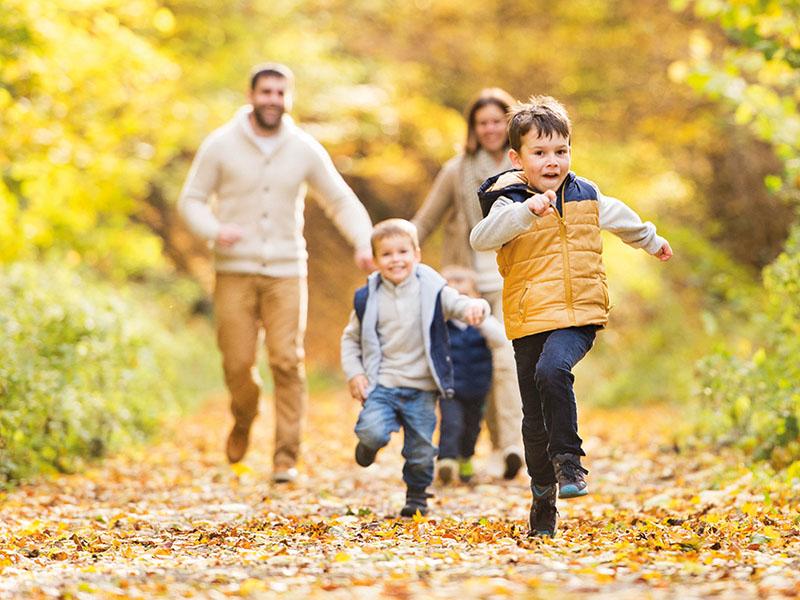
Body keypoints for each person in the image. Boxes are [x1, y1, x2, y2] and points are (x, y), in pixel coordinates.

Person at [470, 96, 673, 537]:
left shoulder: (586, 194)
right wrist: (526, 211)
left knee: (553, 368)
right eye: (540, 153)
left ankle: (570, 464)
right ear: (517, 158)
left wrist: (651, 240)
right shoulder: (508, 200)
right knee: (533, 418)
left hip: (579, 313)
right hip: (529, 319)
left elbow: (621, 218)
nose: (552, 161)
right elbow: (481, 238)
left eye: (560, 151)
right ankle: (543, 494)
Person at [178, 62, 373, 483]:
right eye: (266, 92)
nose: (273, 100)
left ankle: (285, 458)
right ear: (251, 96)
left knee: (286, 360)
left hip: (287, 271)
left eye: (281, 93)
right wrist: (215, 230)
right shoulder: (221, 144)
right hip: (234, 270)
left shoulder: (303, 148)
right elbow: (191, 200)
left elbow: (339, 199)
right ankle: (244, 416)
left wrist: (363, 241)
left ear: (290, 98)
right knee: (237, 362)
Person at [340, 219, 490, 516]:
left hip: (421, 388)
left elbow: (458, 303)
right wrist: (355, 373)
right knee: (371, 431)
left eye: (402, 252)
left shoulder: (432, 290)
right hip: (383, 383)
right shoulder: (367, 298)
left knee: (421, 451)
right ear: (374, 260)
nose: (396, 259)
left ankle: (417, 496)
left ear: (416, 255)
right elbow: (350, 339)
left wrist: (477, 308)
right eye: (387, 254)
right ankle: (368, 446)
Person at [412, 88, 524, 481]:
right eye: (483, 122)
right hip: (467, 284)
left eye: (497, 120)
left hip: (512, 279)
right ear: (473, 128)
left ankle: (512, 446)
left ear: (510, 123)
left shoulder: (526, 168)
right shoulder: (457, 170)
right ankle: (464, 449)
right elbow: (424, 221)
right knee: (466, 368)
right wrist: (396, 251)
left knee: (506, 361)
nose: (491, 128)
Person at [436, 266, 507, 485]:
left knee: (472, 427)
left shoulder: (484, 326)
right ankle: (446, 460)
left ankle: (466, 458)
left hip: (478, 387)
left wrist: (480, 318)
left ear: (476, 295)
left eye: (464, 293)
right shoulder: (441, 324)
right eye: (451, 288)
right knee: (452, 423)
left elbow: (500, 340)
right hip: (450, 387)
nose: (457, 293)